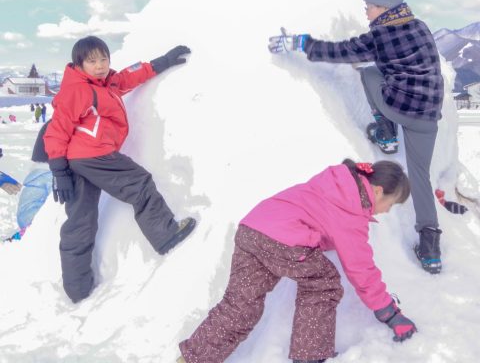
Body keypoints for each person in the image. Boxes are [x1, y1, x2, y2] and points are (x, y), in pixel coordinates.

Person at [268, 0, 444, 275]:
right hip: (428, 115)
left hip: (400, 108)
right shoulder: (419, 26)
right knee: (420, 176)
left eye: (369, 6)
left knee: (370, 73)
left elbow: (340, 51)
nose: (366, 11)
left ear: (384, 6)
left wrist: (300, 42)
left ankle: (386, 133)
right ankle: (431, 249)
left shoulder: (380, 36)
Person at [178, 159, 415, 363]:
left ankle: (193, 358)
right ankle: (309, 356)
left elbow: (317, 217)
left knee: (240, 306)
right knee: (323, 284)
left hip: (252, 229)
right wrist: (389, 313)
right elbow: (361, 270)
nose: (386, 211)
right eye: (391, 204)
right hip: (282, 240)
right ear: (378, 191)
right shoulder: (352, 210)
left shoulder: (337, 183)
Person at [43, 35, 196, 303]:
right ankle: (165, 234)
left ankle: (78, 289)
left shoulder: (106, 83)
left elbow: (127, 77)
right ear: (79, 64)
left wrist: (163, 62)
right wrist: (59, 172)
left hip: (80, 160)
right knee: (139, 183)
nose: (100, 65)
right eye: (92, 61)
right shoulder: (77, 90)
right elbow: (56, 130)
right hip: (93, 155)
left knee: (81, 221)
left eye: (104, 59)